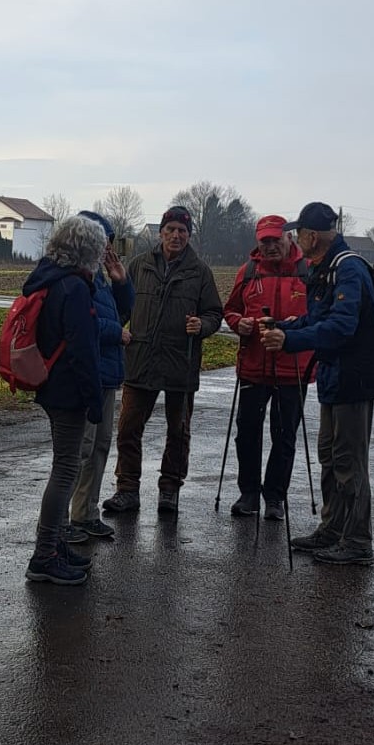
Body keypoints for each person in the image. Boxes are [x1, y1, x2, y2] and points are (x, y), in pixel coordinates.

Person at [261, 201, 374, 566]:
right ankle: (332, 530)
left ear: (312, 236)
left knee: (349, 461)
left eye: (298, 233)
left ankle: (357, 540)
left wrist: (290, 340)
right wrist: (284, 328)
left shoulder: (347, 269)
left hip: (354, 380)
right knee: (330, 456)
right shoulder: (327, 267)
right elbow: (317, 318)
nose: (295, 239)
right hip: (335, 377)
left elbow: (341, 327)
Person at [104, 205, 224, 516]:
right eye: (170, 229)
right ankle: (127, 490)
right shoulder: (140, 265)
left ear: (189, 235)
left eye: (182, 231)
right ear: (160, 232)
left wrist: (202, 325)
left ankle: (170, 489)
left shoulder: (200, 272)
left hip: (181, 361)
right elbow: (122, 306)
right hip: (141, 358)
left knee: (179, 431)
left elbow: (214, 313)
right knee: (128, 428)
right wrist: (113, 330)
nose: (176, 236)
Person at [21, 214, 106, 585]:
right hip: (68, 390)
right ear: (89, 250)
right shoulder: (74, 287)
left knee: (64, 466)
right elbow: (82, 349)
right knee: (66, 469)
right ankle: (44, 555)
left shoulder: (50, 278)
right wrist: (94, 399)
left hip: (51, 384)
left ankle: (53, 545)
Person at [223, 215, 311, 522]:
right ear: (258, 243)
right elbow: (231, 309)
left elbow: (322, 313)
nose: (271, 246)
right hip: (253, 365)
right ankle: (248, 494)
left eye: (276, 239)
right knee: (247, 433)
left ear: (289, 238)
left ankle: (275, 497)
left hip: (293, 367)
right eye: (265, 241)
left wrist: (299, 326)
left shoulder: (307, 271)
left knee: (284, 436)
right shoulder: (248, 271)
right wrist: (240, 324)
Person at [65, 211, 136, 544]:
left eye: (110, 242)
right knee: (81, 448)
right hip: (85, 374)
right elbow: (85, 323)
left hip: (106, 372)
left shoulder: (101, 278)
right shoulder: (74, 276)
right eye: (103, 241)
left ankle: (86, 513)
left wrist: (121, 282)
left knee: (100, 446)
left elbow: (122, 313)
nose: (108, 248)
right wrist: (115, 334)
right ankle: (64, 520)